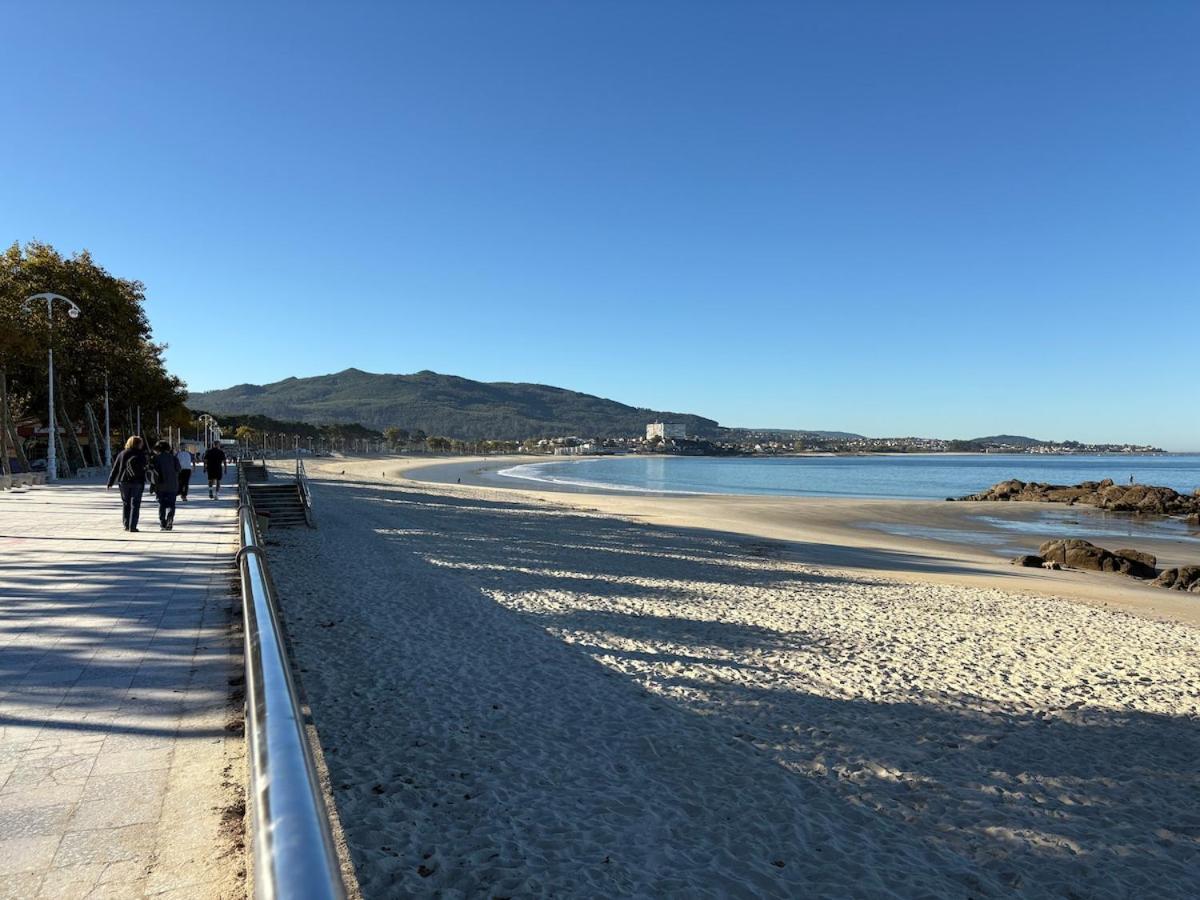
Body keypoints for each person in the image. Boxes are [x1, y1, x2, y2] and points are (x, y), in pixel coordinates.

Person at [106, 435, 148, 532]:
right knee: (135, 504)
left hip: (124, 481)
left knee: (126, 503)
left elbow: (115, 468)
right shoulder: (141, 454)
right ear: (139, 444)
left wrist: (110, 482)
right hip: (137, 481)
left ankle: (126, 524)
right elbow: (145, 468)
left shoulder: (122, 453)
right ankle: (132, 526)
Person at [150, 440, 181, 530]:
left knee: (162, 504)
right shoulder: (173, 458)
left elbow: (152, 472)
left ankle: (162, 522)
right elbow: (179, 469)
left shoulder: (156, 458)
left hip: (160, 485)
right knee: (171, 504)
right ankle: (170, 519)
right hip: (172, 484)